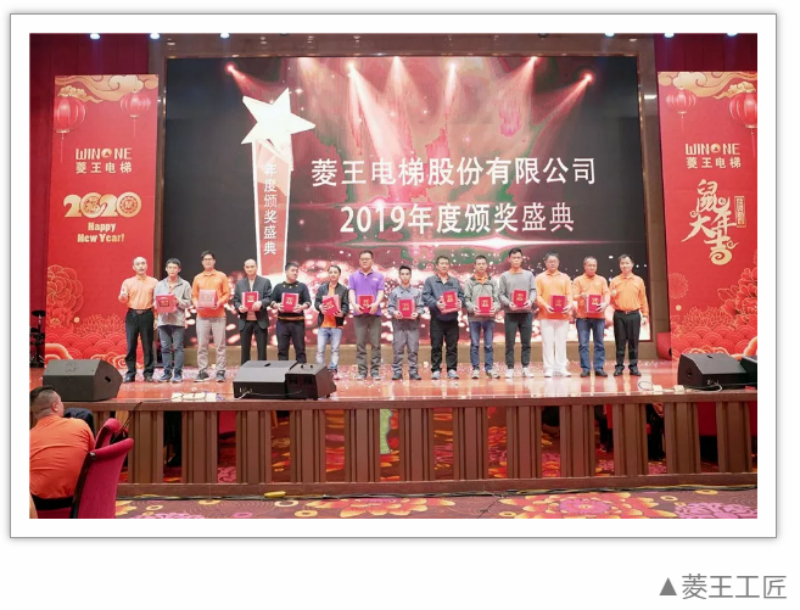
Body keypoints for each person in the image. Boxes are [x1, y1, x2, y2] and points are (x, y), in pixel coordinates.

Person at [29, 386, 95, 511]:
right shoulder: (80, 425)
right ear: (55, 406)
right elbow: (94, 456)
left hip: (40, 503)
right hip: (80, 496)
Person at [422, 255, 464, 380]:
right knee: (436, 346)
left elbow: (462, 296)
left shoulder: (455, 281)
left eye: (446, 263)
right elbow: (425, 296)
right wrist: (436, 304)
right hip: (437, 319)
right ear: (437, 265)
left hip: (452, 319)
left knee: (452, 346)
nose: (444, 265)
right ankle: (436, 370)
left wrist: (460, 302)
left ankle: (451, 369)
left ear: (449, 265)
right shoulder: (430, 281)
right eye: (442, 263)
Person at [191, 251, 231, 382]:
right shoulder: (197, 278)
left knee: (220, 345)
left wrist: (219, 302)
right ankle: (203, 371)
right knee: (202, 345)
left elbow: (227, 294)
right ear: (202, 262)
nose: (207, 261)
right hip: (202, 316)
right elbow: (194, 295)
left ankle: (220, 371)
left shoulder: (221, 276)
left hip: (218, 315)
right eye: (205, 259)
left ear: (214, 261)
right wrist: (196, 304)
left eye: (210, 259)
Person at [498, 248, 537, 379]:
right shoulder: (504, 276)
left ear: (521, 259)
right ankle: (510, 368)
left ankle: (525, 367)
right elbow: (500, 294)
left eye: (518, 258)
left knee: (526, 342)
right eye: (514, 258)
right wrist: (509, 303)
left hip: (526, 313)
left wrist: (530, 301)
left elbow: (533, 290)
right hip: (511, 313)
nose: (516, 260)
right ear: (509, 259)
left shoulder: (529, 275)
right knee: (510, 342)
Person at [118, 256, 158, 382]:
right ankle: (130, 373)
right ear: (133, 267)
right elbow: (122, 299)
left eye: (143, 263)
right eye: (138, 264)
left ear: (146, 266)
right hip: (132, 315)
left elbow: (157, 302)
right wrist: (123, 296)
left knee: (148, 346)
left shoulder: (154, 282)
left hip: (147, 315)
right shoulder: (128, 282)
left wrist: (156, 318)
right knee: (131, 345)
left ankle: (148, 373)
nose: (141, 266)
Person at [348, 250, 386, 381]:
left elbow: (381, 292)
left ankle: (375, 371)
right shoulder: (353, 276)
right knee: (360, 344)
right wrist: (354, 305)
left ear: (372, 261)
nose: (364, 261)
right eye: (362, 259)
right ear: (359, 261)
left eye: (367, 259)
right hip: (359, 314)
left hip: (375, 314)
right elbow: (351, 291)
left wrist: (376, 304)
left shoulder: (379, 276)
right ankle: (362, 371)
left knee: (376, 344)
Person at [153, 258, 192, 383]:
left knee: (178, 348)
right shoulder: (160, 284)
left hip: (177, 321)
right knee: (165, 348)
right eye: (170, 267)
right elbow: (154, 302)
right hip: (163, 320)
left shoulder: (185, 284)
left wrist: (177, 301)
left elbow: (189, 303)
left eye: (175, 268)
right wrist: (160, 304)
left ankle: (178, 374)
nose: (172, 270)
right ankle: (167, 373)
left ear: (179, 269)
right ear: (166, 269)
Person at [610, 254, 649, 376]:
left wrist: (645, 314)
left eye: (627, 263)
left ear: (632, 264)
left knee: (633, 342)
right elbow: (610, 301)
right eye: (622, 263)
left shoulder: (639, 280)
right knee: (620, 342)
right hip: (619, 315)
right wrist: (612, 295)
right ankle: (619, 367)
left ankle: (633, 366)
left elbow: (643, 299)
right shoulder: (615, 281)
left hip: (634, 315)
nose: (625, 265)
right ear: (619, 265)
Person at [535, 252, 573, 377]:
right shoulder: (540, 278)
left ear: (558, 263)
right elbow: (537, 295)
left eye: (554, 261)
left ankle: (561, 367)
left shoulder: (565, 277)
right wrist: (545, 305)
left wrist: (569, 305)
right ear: (545, 263)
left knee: (561, 342)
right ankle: (549, 368)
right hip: (546, 314)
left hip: (563, 315)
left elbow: (569, 294)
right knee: (547, 342)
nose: (552, 264)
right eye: (550, 262)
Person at [573, 256, 611, 377]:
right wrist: (581, 296)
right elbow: (573, 296)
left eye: (594, 265)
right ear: (584, 266)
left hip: (599, 317)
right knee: (583, 344)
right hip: (583, 317)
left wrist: (605, 303)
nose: (592, 267)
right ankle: (585, 368)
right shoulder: (578, 280)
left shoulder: (602, 280)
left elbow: (607, 294)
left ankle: (599, 367)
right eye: (590, 265)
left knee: (599, 343)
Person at [464, 255, 501, 379]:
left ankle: (489, 368)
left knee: (489, 344)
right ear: (474, 266)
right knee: (474, 344)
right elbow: (466, 300)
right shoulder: (469, 282)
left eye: (483, 264)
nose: (481, 266)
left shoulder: (492, 282)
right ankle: (475, 369)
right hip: (474, 318)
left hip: (489, 318)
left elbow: (497, 300)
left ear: (486, 265)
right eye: (478, 264)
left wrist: (495, 308)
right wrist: (472, 308)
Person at [387, 264, 424, 381]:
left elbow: (421, 307)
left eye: (407, 274)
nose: (405, 276)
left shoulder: (417, 292)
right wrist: (394, 312)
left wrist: (417, 313)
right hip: (399, 326)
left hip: (413, 326)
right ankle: (397, 372)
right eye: (402, 274)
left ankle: (413, 372)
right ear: (399, 276)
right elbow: (390, 307)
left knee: (413, 350)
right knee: (398, 350)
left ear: (410, 276)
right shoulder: (394, 292)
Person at [233, 259, 273, 365]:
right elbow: (236, 300)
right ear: (244, 268)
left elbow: (269, 298)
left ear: (256, 267)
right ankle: (245, 372)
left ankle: (261, 372)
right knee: (245, 350)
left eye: (252, 266)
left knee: (262, 350)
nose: (250, 269)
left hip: (260, 320)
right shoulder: (239, 284)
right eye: (247, 267)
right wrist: (239, 307)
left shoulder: (265, 282)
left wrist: (261, 303)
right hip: (245, 320)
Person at [314, 264, 349, 380]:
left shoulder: (343, 289)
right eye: (331, 272)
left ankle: (333, 371)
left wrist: (342, 313)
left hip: (336, 325)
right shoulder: (322, 288)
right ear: (328, 274)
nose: (333, 274)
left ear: (339, 275)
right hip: (323, 324)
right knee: (320, 350)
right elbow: (316, 302)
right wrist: (320, 307)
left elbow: (345, 305)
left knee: (335, 350)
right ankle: (320, 372)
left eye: (335, 272)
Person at [271, 261, 311, 362]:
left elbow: (308, 302)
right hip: (282, 323)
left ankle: (301, 371)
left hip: (298, 323)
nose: (295, 273)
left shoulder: (302, 286)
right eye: (292, 270)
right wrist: (276, 305)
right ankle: (283, 371)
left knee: (300, 350)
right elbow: (271, 301)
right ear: (286, 272)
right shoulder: (278, 287)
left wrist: (302, 307)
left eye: (297, 271)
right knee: (282, 350)